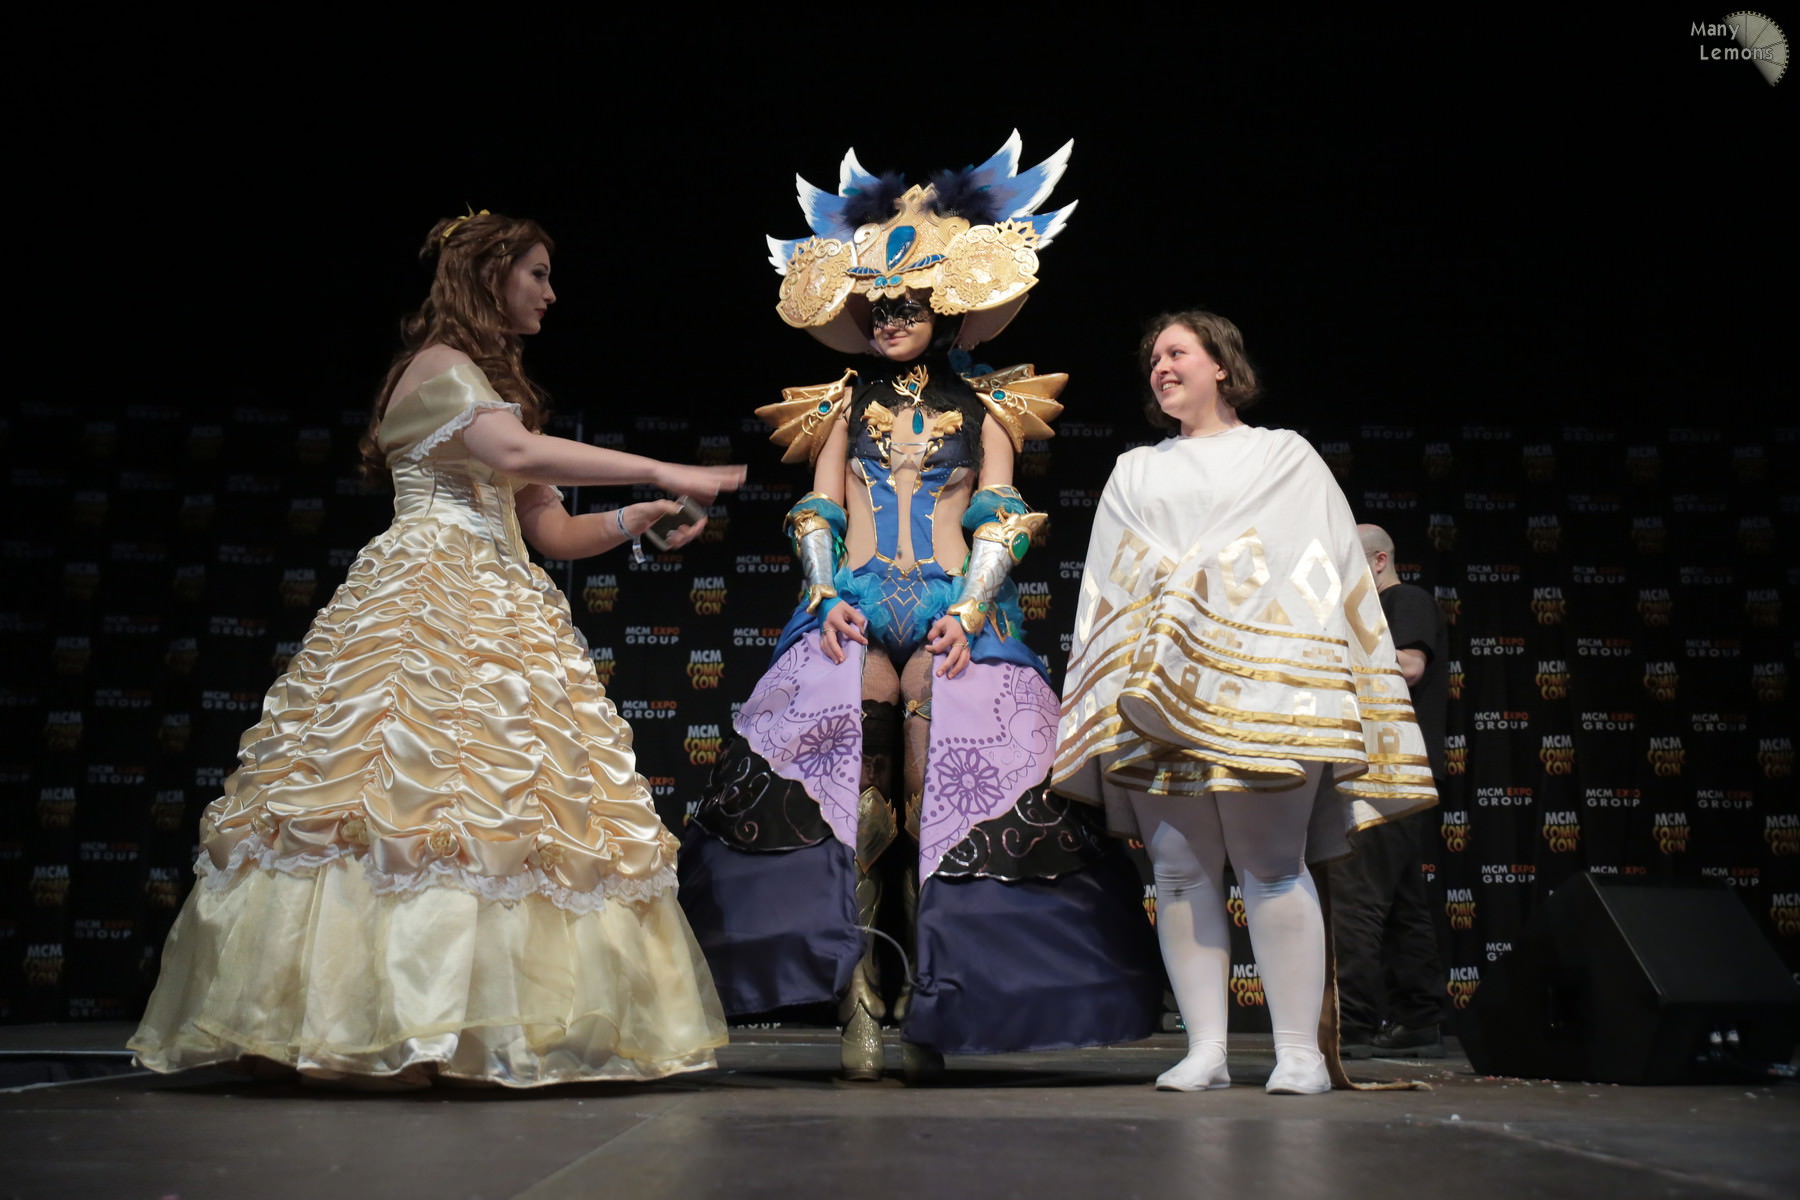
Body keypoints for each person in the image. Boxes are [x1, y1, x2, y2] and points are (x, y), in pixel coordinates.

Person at [129, 210, 742, 1087]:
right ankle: (365, 1021)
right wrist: (660, 467)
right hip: (429, 588)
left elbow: (551, 532)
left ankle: (477, 1030)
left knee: (504, 807)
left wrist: (631, 517)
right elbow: (515, 450)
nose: (550, 293)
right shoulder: (437, 367)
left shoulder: (496, 390)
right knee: (399, 793)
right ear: (491, 275)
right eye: (537, 273)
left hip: (500, 590)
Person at [679, 135, 1162, 1081]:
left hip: (952, 609)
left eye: (908, 304)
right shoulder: (838, 403)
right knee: (851, 804)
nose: (891, 318)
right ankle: (861, 995)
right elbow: (815, 510)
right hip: (853, 608)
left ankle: (937, 999)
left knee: (943, 795)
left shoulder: (987, 404)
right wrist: (824, 595)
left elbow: (1002, 517)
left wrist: (973, 613)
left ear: (943, 309)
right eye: (879, 306)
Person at [1053, 311, 1437, 1094]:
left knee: (1272, 864)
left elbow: (1316, 565)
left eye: (1177, 352)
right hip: (1157, 688)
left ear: (1221, 364)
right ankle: (1207, 1049)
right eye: (1153, 358)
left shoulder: (1283, 456)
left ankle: (1299, 1053)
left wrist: (1203, 585)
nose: (1161, 367)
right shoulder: (1135, 470)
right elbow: (1115, 574)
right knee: (1179, 871)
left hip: (1267, 684)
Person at [1330, 524, 1450, 1057]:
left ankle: (1351, 1024)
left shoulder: (1405, 600)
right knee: (1402, 904)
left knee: (1355, 895)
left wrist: (1330, 654)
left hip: (1389, 769)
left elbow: (1410, 666)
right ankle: (1419, 1018)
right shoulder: (1370, 608)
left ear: (1378, 561)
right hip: (1391, 770)